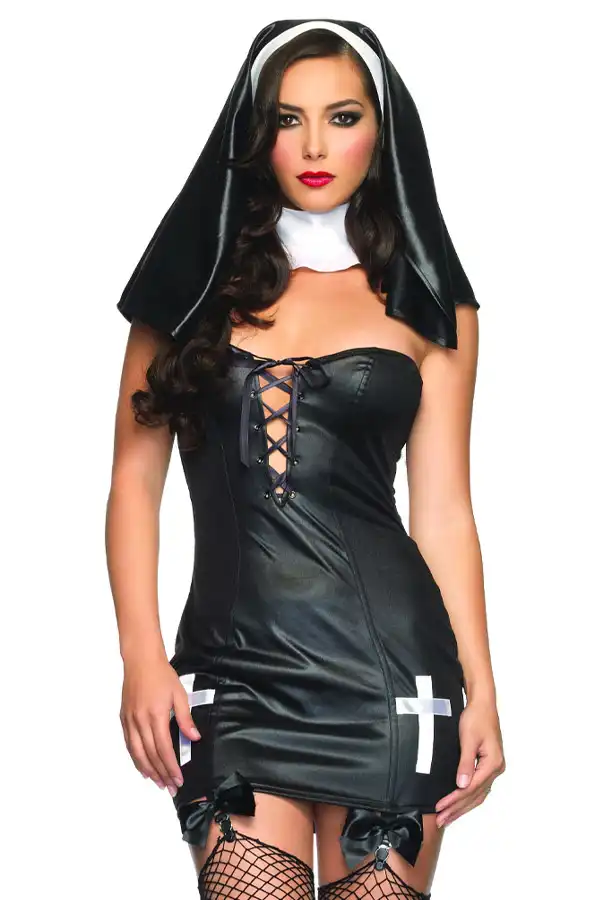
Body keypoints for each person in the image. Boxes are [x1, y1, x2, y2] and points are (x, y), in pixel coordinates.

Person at [106, 18, 505, 900]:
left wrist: (482, 687)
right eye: (289, 120)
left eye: (343, 117)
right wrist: (140, 654)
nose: (316, 146)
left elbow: (444, 510)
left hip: (394, 680)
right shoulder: (188, 295)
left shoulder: (432, 308)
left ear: (382, 133)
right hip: (233, 675)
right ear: (257, 137)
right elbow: (133, 483)